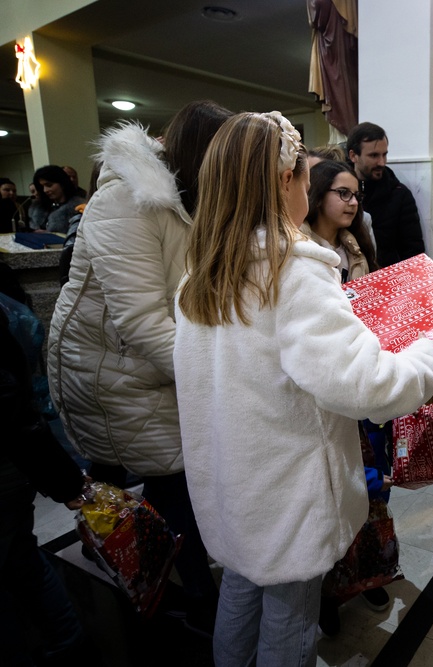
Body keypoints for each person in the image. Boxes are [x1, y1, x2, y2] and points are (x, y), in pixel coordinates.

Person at [173, 111, 433, 667]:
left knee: (241, 596)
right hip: (288, 493)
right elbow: (365, 385)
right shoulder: (290, 272)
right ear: (283, 182)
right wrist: (428, 351)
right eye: (305, 176)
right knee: (290, 619)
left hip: (234, 483)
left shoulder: (201, 273)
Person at [47, 100, 234, 635]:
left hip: (147, 367)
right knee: (167, 476)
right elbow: (142, 320)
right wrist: (216, 374)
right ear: (206, 159)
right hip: (107, 369)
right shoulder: (127, 203)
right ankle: (194, 600)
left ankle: (125, 565)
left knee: (120, 482)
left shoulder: (190, 203)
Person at [303, 159, 396, 634]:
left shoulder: (357, 244)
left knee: (372, 488)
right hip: (329, 392)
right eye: (342, 192)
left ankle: (368, 575)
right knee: (333, 494)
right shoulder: (301, 253)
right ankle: (324, 594)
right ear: (316, 193)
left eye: (356, 194)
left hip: (365, 382)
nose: (353, 201)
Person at [1, 283, 100, 665]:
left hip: (9, 462)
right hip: (12, 461)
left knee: (21, 563)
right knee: (22, 563)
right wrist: (63, 480)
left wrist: (64, 481)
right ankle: (71, 646)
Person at [346, 122, 425, 267]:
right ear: (353, 156)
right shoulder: (338, 193)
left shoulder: (400, 195)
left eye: (384, 155)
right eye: (374, 155)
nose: (382, 162)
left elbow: (414, 255)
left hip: (386, 280)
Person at [30, 165, 85, 234]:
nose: (45, 190)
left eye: (49, 185)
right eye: (42, 187)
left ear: (62, 183)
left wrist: (50, 234)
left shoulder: (78, 208)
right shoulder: (38, 208)